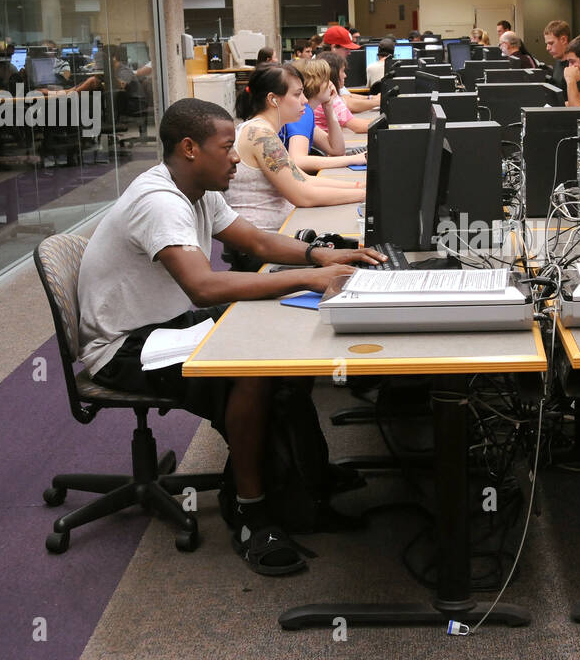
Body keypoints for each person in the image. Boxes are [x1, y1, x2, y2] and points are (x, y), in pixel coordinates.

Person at [78, 98, 383, 575]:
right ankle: (250, 509)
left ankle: (304, 479)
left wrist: (318, 256)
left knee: (283, 341)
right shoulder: (160, 202)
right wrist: (308, 277)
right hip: (125, 347)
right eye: (227, 147)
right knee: (252, 371)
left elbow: (257, 242)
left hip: (167, 325)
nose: (237, 157)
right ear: (189, 149)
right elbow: (203, 288)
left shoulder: (198, 189)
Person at [227, 65, 365, 235]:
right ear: (273, 99)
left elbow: (303, 179)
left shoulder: (262, 129)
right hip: (265, 241)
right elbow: (303, 195)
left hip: (276, 233)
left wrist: (358, 187)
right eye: (297, 94)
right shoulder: (260, 134)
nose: (305, 100)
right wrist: (364, 195)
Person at [295, 58, 368, 168]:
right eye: (326, 79)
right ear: (315, 83)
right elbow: (298, 161)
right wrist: (354, 159)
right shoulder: (302, 113)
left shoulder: (307, 113)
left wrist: (328, 107)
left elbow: (337, 150)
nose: (331, 83)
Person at [315, 50, 376, 124]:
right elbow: (359, 126)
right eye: (343, 71)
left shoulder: (322, 98)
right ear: (334, 74)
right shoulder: (331, 101)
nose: (345, 75)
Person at [543, 19, 571, 88]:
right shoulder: (558, 61)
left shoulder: (575, 65)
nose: (547, 48)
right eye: (547, 44)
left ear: (563, 40)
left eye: (551, 43)